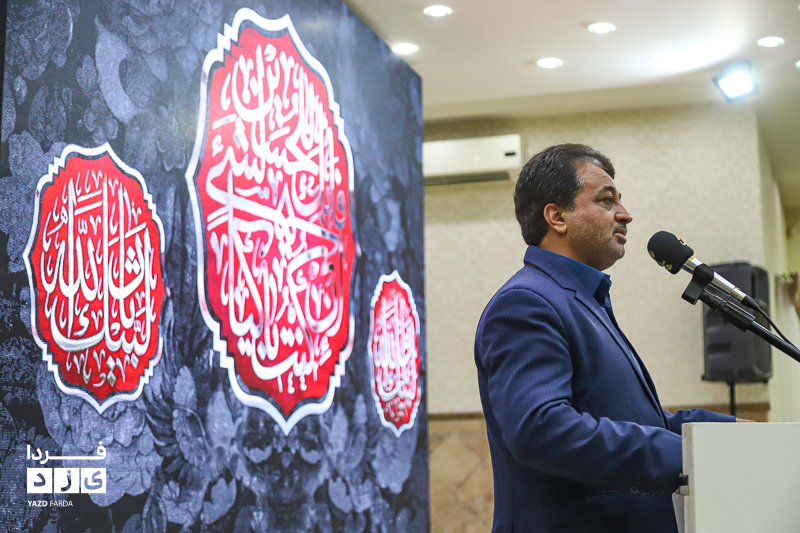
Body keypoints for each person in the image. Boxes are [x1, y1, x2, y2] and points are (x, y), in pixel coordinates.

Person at [474, 144, 736, 533]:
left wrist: (730, 432)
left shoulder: (581, 300)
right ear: (557, 216)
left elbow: (639, 421)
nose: (625, 214)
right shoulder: (526, 302)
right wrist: (686, 457)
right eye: (606, 200)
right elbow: (540, 428)